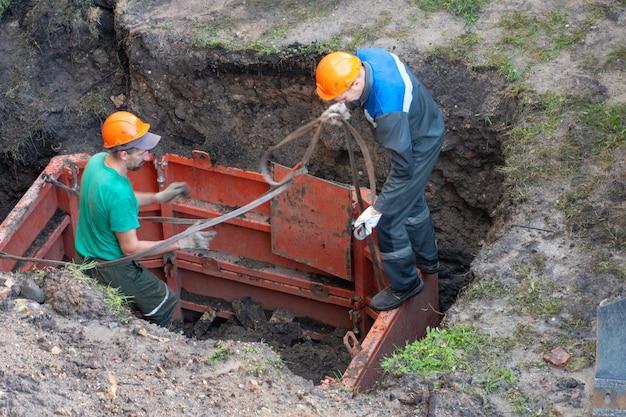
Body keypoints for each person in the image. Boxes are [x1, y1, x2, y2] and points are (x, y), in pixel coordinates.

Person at [316, 49, 444, 311]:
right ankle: (428, 260)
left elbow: (404, 170)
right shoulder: (366, 57)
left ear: (356, 83)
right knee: (411, 199)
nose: (337, 100)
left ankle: (406, 284)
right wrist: (345, 105)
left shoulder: (388, 111)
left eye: (340, 96)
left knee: (390, 220)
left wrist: (378, 209)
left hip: (420, 143)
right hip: (421, 124)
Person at [75, 111, 213, 326]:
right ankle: (154, 342)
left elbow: (117, 201)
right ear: (123, 154)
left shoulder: (97, 162)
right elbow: (130, 248)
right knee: (164, 302)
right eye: (142, 153)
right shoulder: (117, 191)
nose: (147, 157)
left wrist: (158, 197)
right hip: (110, 265)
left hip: (86, 252)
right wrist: (181, 243)